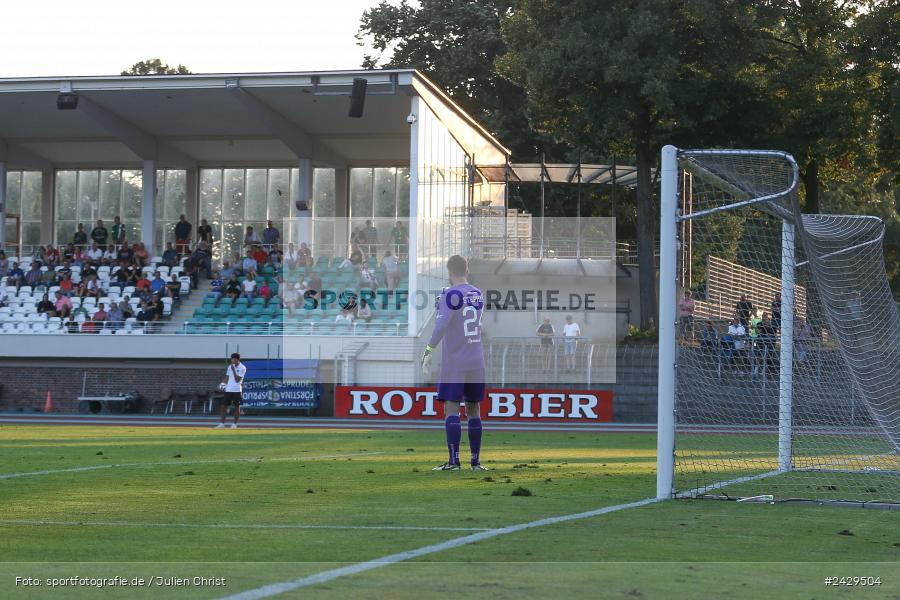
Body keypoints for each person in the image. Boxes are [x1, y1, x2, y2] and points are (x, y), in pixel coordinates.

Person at [421, 255, 487, 472]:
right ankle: (475, 462)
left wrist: (429, 349)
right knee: (473, 408)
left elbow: (441, 325)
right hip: (476, 358)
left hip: (456, 360)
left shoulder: (450, 294)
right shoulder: (477, 293)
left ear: (450, 272)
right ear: (466, 270)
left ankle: (454, 462)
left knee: (451, 407)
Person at [217, 352, 246, 429]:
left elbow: (237, 380)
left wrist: (234, 370)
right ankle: (222, 424)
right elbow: (227, 377)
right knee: (223, 406)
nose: (231, 360)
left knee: (237, 407)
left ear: (237, 359)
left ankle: (234, 424)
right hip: (228, 390)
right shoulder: (230, 366)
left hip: (237, 390)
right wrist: (222, 384)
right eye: (231, 359)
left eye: (233, 359)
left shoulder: (242, 367)